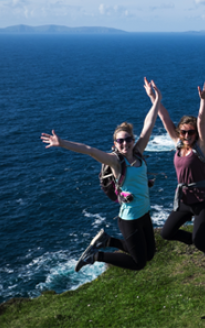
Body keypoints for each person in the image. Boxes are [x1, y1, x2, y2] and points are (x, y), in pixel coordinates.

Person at [40, 78, 161, 273]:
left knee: (149, 255)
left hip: (144, 213)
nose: (125, 143)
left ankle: (107, 240)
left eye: (128, 139)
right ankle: (95, 256)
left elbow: (149, 123)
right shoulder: (115, 161)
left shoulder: (138, 151)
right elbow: (89, 150)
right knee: (139, 263)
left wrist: (155, 100)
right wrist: (62, 143)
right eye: (120, 141)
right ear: (115, 144)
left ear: (132, 139)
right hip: (129, 218)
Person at [146, 81, 205, 272]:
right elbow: (164, 117)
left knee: (200, 240)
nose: (187, 135)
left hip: (204, 201)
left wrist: (203, 101)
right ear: (179, 132)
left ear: (196, 134)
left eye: (190, 132)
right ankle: (197, 241)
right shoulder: (178, 144)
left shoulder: (200, 149)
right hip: (185, 201)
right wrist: (153, 97)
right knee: (166, 233)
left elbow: (201, 120)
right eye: (183, 132)